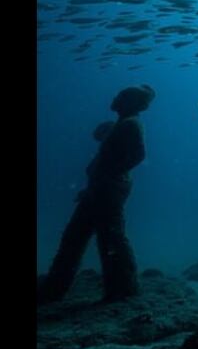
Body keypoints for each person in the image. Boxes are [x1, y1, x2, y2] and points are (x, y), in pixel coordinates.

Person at [39, 86, 155, 303]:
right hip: (100, 189)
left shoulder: (130, 124)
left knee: (107, 239)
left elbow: (138, 155)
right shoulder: (124, 123)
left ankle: (121, 290)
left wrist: (109, 177)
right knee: (81, 238)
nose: (115, 98)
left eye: (121, 96)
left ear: (130, 102)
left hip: (107, 190)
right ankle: (55, 289)